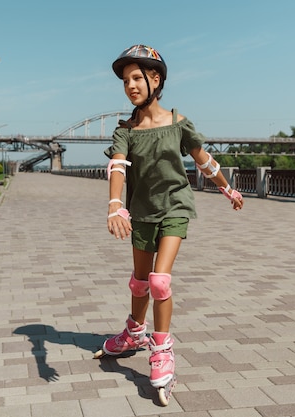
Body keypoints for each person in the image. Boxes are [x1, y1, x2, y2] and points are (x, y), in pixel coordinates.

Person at [100, 44, 244, 401]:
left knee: (159, 281)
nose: (130, 85)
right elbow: (118, 165)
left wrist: (227, 189)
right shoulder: (126, 130)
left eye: (137, 78)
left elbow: (203, 159)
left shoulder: (179, 124)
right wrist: (116, 205)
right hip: (141, 212)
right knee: (138, 283)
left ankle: (162, 350)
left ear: (155, 79)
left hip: (175, 207)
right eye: (125, 80)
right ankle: (135, 331)